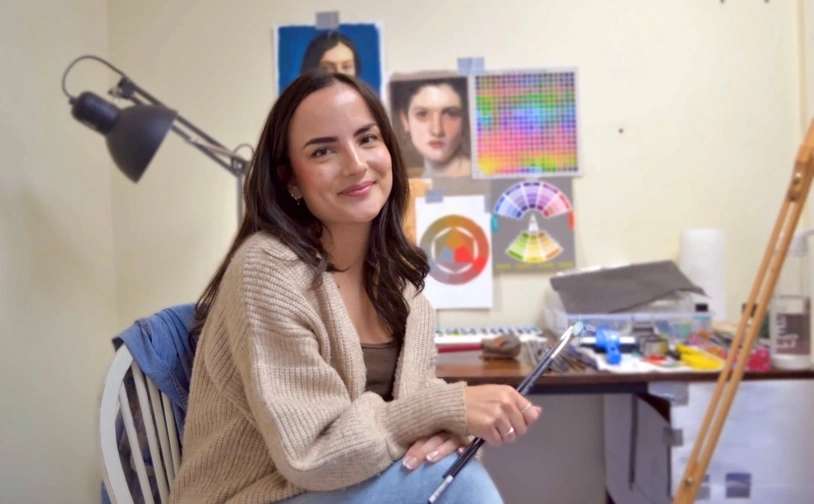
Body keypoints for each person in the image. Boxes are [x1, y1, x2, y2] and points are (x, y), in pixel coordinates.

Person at [168, 69, 542, 504]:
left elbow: (413, 405)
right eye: (324, 150)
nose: (356, 164)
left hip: (351, 487)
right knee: (463, 486)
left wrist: (445, 429)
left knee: (451, 469)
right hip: (260, 495)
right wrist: (446, 410)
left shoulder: (401, 286)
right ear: (291, 179)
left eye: (367, 139)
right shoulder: (266, 271)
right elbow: (311, 453)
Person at [395, 78, 471, 179]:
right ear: (405, 121)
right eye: (422, 114)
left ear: (465, 121)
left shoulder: (483, 180)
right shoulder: (420, 183)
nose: (437, 130)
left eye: (450, 113)